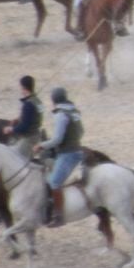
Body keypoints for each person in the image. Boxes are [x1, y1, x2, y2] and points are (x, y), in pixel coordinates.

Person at [37, 86, 85, 227]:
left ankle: (59, 215)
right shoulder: (74, 111)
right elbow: (81, 131)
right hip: (77, 149)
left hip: (67, 153)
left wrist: (41, 145)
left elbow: (57, 139)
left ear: (53, 100)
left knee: (54, 182)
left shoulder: (60, 114)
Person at [5, 75, 42, 158]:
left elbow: (24, 127)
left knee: (15, 159)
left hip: (29, 139)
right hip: (37, 135)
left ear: (23, 87)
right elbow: (34, 116)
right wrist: (19, 118)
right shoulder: (38, 101)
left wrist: (10, 129)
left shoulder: (28, 104)